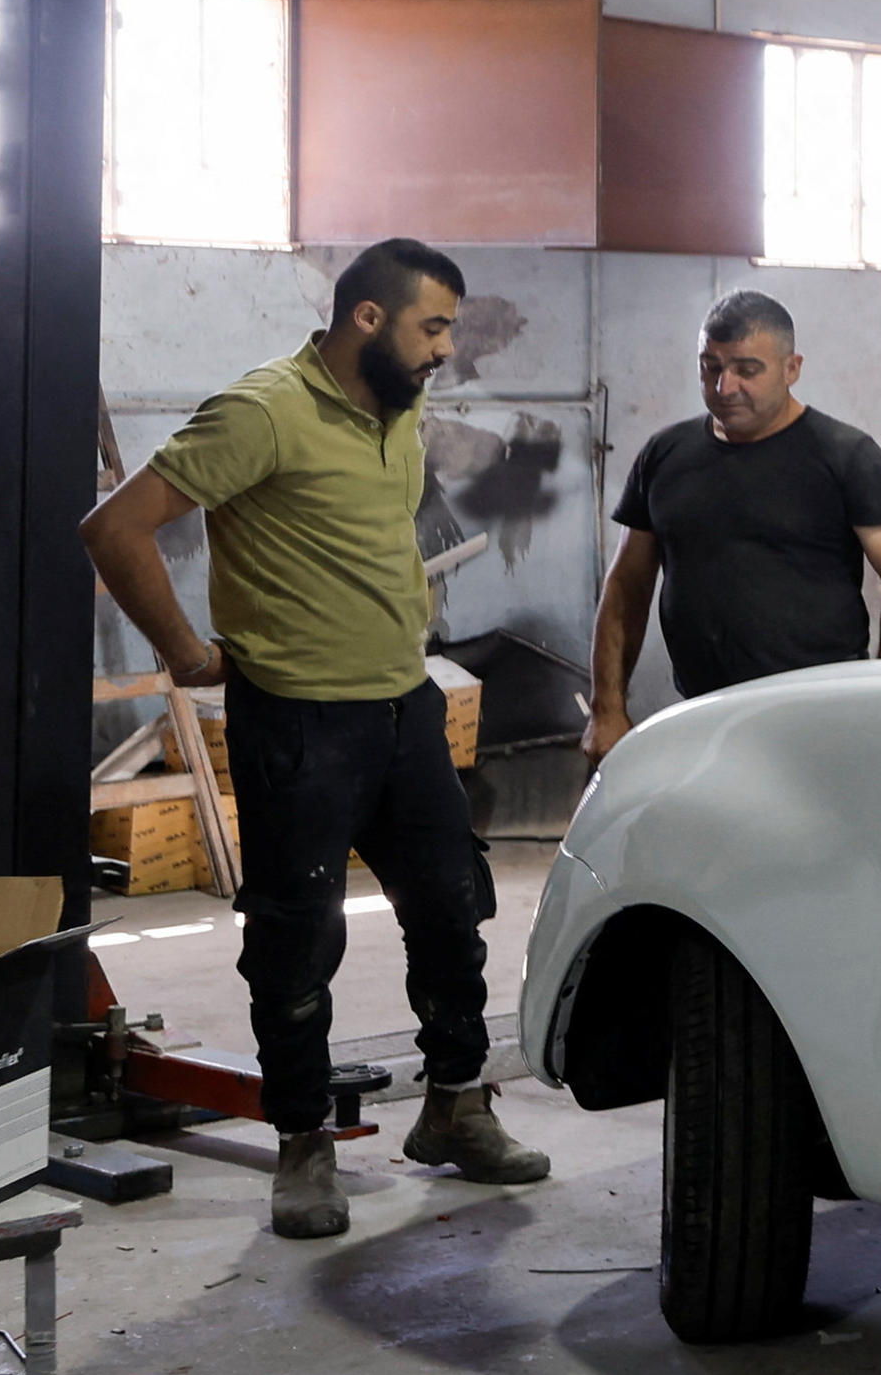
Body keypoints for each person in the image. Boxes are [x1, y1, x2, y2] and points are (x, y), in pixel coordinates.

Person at [83, 237, 540, 1240]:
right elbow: (116, 527)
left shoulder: (400, 409)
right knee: (296, 941)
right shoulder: (262, 411)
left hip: (403, 707)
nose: (444, 351)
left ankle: (456, 1106)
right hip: (297, 723)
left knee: (452, 912)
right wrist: (183, 651)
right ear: (367, 318)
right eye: (432, 327)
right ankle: (302, 1146)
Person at [590, 290, 881, 759]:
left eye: (748, 370)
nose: (725, 387)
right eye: (710, 367)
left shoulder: (845, 455)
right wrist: (606, 709)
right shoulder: (664, 455)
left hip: (822, 718)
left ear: (792, 369)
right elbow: (627, 587)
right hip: (704, 713)